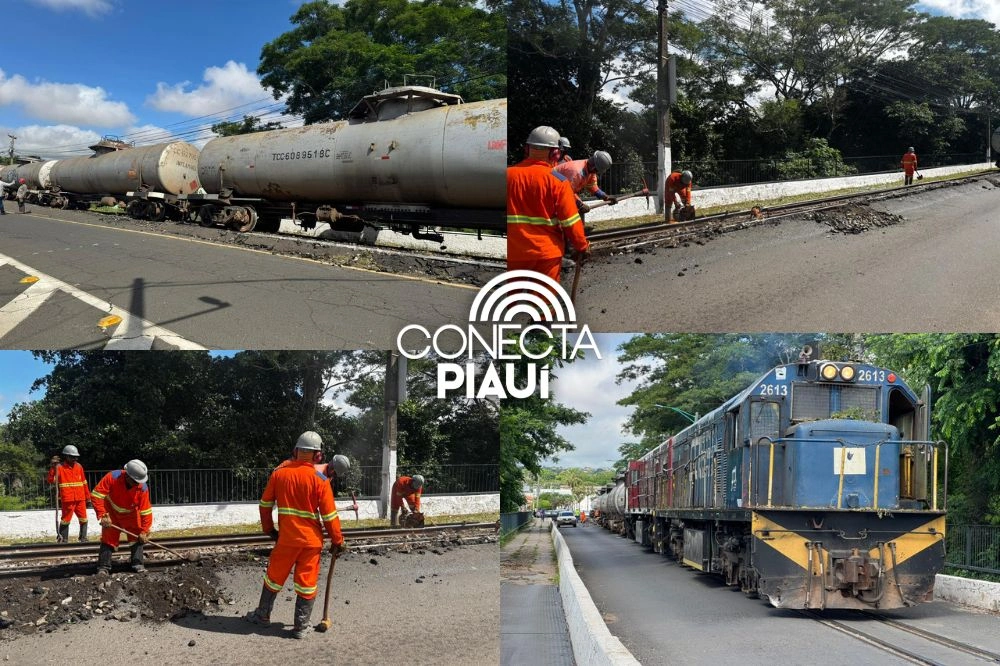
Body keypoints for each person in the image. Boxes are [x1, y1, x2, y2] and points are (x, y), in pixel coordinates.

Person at [246, 431, 346, 639]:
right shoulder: (320, 480)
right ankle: (301, 626)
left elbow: (265, 506)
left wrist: (269, 530)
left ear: (296, 451)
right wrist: (338, 541)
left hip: (287, 540)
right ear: (318, 455)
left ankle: (262, 615)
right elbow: (329, 516)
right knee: (307, 581)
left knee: (274, 577)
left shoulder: (279, 473)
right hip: (311, 543)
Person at [507, 125, 589, 284]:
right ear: (555, 153)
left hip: (514, 252)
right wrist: (582, 247)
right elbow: (571, 222)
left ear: (527, 149)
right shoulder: (558, 181)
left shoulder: (507, 175)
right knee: (545, 302)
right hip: (546, 253)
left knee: (512, 299)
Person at [90, 460, 152, 575]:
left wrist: (144, 531)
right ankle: (103, 567)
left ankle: (138, 563)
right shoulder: (112, 477)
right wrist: (103, 515)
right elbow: (96, 495)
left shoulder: (142, 488)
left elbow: (146, 511)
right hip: (111, 513)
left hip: (132, 515)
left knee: (137, 537)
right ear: (127, 475)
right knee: (108, 538)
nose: (137, 484)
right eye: (135, 481)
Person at [553, 151, 617, 223]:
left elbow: (592, 186)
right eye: (597, 170)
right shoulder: (576, 172)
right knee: (568, 211)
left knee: (577, 209)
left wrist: (605, 197)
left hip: (561, 190)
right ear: (594, 166)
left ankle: (577, 229)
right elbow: (567, 192)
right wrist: (580, 205)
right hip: (551, 189)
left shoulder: (590, 170)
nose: (597, 172)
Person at [47, 445, 92, 542]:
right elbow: (51, 480)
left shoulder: (79, 466)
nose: (75, 459)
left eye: (76, 457)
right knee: (65, 520)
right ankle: (63, 539)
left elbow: (84, 482)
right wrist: (52, 468)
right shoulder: (59, 467)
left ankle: (83, 538)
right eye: (72, 457)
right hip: (68, 499)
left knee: (84, 519)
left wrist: (88, 498)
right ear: (66, 456)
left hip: (80, 498)